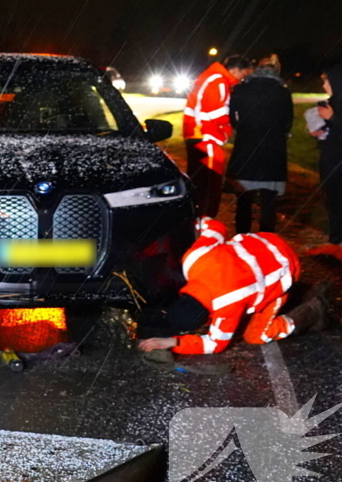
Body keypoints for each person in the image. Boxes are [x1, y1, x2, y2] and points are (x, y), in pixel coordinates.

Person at [138, 217, 327, 355]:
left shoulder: (227, 307)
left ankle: (310, 311)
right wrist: (190, 223)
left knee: (255, 336)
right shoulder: (193, 261)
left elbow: (215, 344)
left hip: (287, 266)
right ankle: (303, 292)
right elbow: (215, 226)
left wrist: (174, 342)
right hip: (265, 241)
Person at [226, 54, 293, 233]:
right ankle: (266, 241)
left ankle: (242, 240)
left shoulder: (240, 89)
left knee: (243, 203)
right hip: (273, 152)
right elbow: (288, 122)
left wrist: (244, 129)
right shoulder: (283, 92)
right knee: (268, 204)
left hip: (246, 149)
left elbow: (232, 118)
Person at [306, 66, 342, 262]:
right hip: (329, 152)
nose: (323, 85)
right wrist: (319, 130)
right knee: (330, 198)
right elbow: (333, 130)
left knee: (335, 198)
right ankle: (336, 241)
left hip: (340, 155)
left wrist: (332, 117)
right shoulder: (334, 102)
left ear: (336, 82)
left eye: (326, 81)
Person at [183, 55, 253, 218]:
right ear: (236, 70)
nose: (242, 78)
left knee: (198, 183)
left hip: (196, 135)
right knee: (210, 186)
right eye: (243, 73)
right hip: (207, 138)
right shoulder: (218, 81)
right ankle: (206, 224)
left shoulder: (209, 78)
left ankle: (196, 220)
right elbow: (217, 113)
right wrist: (226, 132)